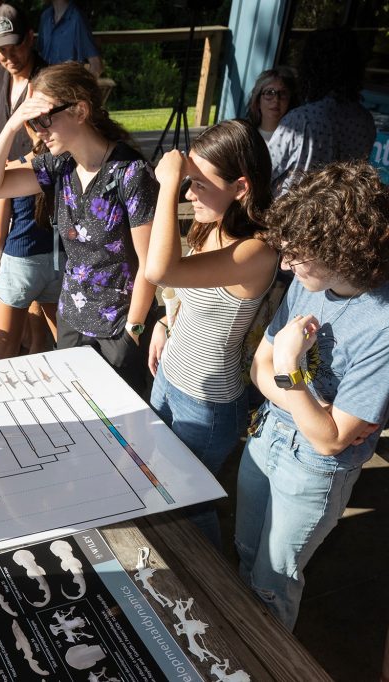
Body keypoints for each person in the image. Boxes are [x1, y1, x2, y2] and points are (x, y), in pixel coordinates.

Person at [235, 160, 389, 630]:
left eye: (298, 254)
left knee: (272, 581)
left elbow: (330, 441)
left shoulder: (382, 324)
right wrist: (304, 401)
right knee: (244, 553)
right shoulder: (308, 283)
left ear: (343, 252)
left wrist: (289, 370)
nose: (285, 263)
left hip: (313, 470)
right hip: (268, 437)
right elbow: (257, 368)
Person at [0, 61, 158, 394]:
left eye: (44, 119)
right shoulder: (58, 166)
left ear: (80, 111)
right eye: (33, 122)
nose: (38, 130)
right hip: (72, 321)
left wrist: (132, 332)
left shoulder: (131, 173)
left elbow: (149, 265)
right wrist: (13, 124)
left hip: (118, 328)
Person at [144, 120, 278, 547]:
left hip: (206, 404)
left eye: (198, 184)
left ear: (241, 187)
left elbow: (160, 269)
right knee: (160, 484)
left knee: (188, 505)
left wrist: (166, 184)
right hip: (170, 375)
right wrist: (166, 322)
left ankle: (212, 595)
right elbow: (183, 288)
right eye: (187, 183)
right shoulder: (211, 223)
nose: (187, 194)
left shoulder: (256, 250)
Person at [0, 4, 59, 359]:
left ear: (31, 38)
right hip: (7, 192)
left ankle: (41, 349)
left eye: (16, 46)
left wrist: (13, 167)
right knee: (22, 283)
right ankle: (34, 347)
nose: (9, 56)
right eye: (0, 49)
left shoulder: (48, 80)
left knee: (43, 297)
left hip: (47, 198)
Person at [268, 28, 375, 195]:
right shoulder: (365, 121)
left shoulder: (301, 120)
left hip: (289, 214)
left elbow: (264, 172)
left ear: (311, 68)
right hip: (333, 215)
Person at [36, 0, 103, 77]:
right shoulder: (45, 16)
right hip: (44, 85)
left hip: (66, 86)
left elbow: (97, 66)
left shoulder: (77, 19)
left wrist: (80, 88)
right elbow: (39, 56)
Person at [245, 66, 298, 144]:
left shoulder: (295, 139)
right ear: (258, 101)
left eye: (283, 93)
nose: (276, 100)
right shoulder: (246, 137)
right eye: (269, 93)